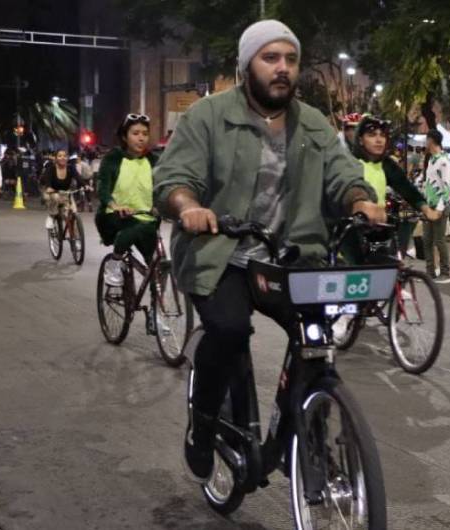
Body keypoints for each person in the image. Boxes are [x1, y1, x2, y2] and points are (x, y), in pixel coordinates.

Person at [151, 19, 386, 483]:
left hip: (292, 259)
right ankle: (202, 426)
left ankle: (296, 435)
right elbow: (175, 177)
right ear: (246, 66)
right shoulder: (208, 116)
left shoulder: (314, 123)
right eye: (270, 58)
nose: (282, 69)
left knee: (316, 339)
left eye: (290, 59)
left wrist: (360, 200)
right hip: (222, 255)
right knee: (230, 330)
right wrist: (190, 206)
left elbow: (342, 173)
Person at [345, 115, 441, 263]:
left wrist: (426, 209)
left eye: (382, 135)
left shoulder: (386, 165)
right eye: (372, 135)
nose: (379, 140)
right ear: (360, 140)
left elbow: (405, 187)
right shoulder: (349, 163)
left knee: (391, 267)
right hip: (351, 230)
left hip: (378, 227)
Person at [95, 116, 160, 285]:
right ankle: (114, 263)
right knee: (134, 227)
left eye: (145, 134)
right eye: (135, 133)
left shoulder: (153, 160)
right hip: (115, 217)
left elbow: (162, 186)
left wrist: (162, 205)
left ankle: (158, 306)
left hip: (146, 217)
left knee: (156, 265)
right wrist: (114, 205)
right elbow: (102, 189)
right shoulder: (113, 158)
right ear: (124, 136)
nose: (141, 138)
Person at [422, 129, 450, 283]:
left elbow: (447, 187)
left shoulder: (444, 162)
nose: (425, 143)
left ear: (431, 141)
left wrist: (440, 208)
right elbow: (428, 184)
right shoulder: (431, 160)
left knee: (439, 240)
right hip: (429, 206)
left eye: (426, 139)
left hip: (440, 206)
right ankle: (430, 272)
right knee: (427, 240)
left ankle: (445, 272)